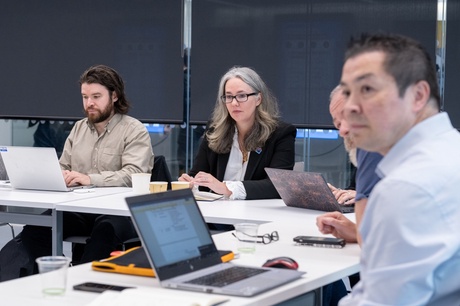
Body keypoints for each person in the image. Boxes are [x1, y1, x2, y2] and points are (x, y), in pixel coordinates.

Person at [0, 65, 154, 281]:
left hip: (118, 212)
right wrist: (59, 176)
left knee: (104, 232)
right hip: (81, 209)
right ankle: (59, 277)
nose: (89, 103)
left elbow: (135, 173)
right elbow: (64, 166)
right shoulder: (79, 128)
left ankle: (80, 286)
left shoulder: (134, 129)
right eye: (85, 97)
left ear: (115, 96)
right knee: (36, 228)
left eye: (96, 96)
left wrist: (90, 179)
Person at [338, 33, 460, 305]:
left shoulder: (406, 187)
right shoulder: (451, 150)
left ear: (418, 95)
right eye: (347, 92)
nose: (349, 108)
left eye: (367, 89)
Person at [179, 66, 296, 200]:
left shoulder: (281, 134)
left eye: (242, 96)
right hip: (217, 215)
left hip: (257, 216)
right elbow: (200, 175)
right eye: (229, 97)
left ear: (258, 99)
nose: (234, 103)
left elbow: (278, 186)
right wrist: (191, 183)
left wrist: (227, 188)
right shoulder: (215, 130)